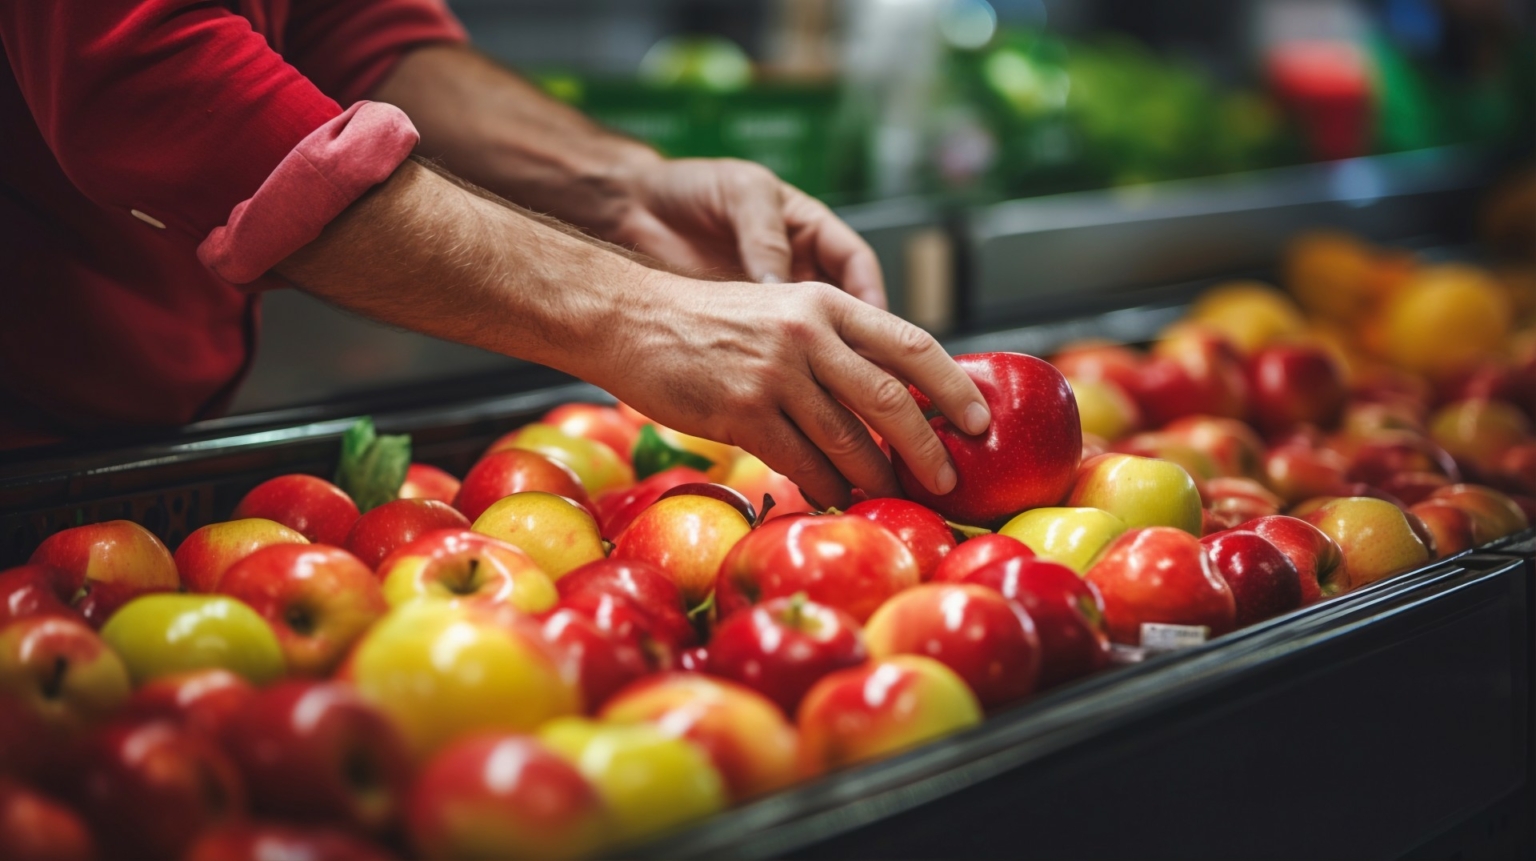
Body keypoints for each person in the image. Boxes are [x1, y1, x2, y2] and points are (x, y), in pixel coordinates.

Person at [0, 0, 991, 510]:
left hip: (113, 423)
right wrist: (636, 313)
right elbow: (149, 72)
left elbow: (349, 30)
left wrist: (620, 186)